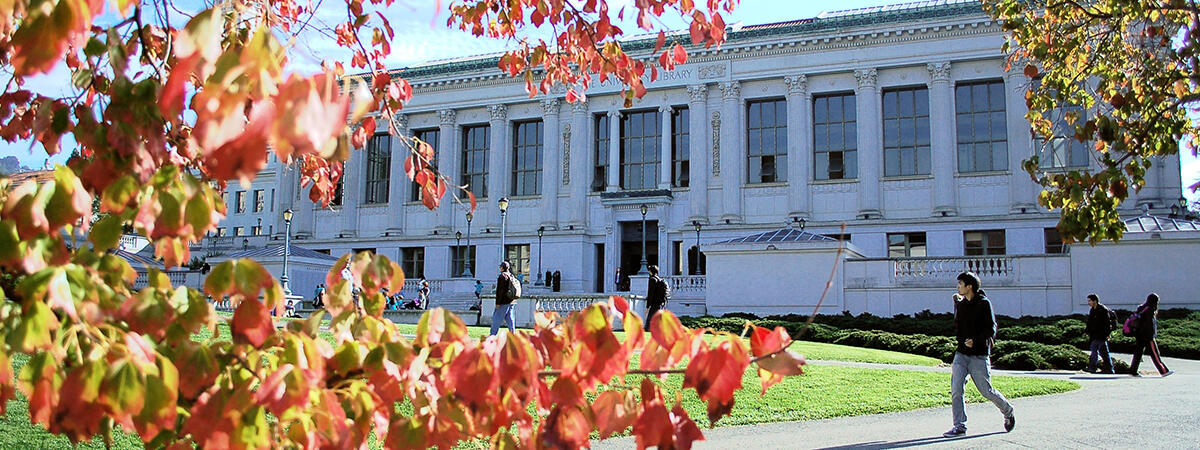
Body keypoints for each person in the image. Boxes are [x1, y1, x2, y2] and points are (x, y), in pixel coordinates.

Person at [944, 271, 1015, 438]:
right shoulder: (961, 305)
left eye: (960, 284)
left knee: (986, 391)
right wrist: (956, 308)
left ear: (969, 286)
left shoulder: (984, 304)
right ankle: (959, 426)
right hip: (961, 354)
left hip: (979, 355)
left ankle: (1008, 410)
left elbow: (991, 329)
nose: (958, 287)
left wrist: (975, 340)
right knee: (956, 389)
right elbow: (959, 328)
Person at [1129, 293, 1172, 377]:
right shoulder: (1150, 310)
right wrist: (1151, 336)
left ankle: (1133, 371)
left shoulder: (1141, 308)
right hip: (1147, 336)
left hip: (1139, 335)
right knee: (1155, 354)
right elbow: (1149, 325)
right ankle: (1163, 371)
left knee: (1138, 353)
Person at [1084, 294, 1117, 374]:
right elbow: (1090, 322)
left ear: (1095, 301)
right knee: (1104, 352)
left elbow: (1107, 324)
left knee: (1094, 349)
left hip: (1101, 335)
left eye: (1089, 301)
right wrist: (1087, 331)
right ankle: (1109, 369)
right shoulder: (1092, 310)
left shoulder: (1103, 310)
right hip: (1095, 334)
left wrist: (1106, 334)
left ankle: (1092, 367)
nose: (1088, 302)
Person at [490, 261, 517, 336]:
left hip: (503, 301)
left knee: (496, 318)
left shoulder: (502, 276)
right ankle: (513, 334)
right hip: (511, 300)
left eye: (500, 267)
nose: (500, 268)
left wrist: (498, 303)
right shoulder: (511, 275)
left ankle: (493, 334)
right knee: (510, 318)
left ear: (502, 268)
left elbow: (500, 291)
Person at [643, 265, 670, 331]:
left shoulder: (652, 279)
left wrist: (647, 306)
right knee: (658, 318)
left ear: (650, 271)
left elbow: (651, 294)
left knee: (650, 320)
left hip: (655, 303)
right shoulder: (659, 279)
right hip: (661, 302)